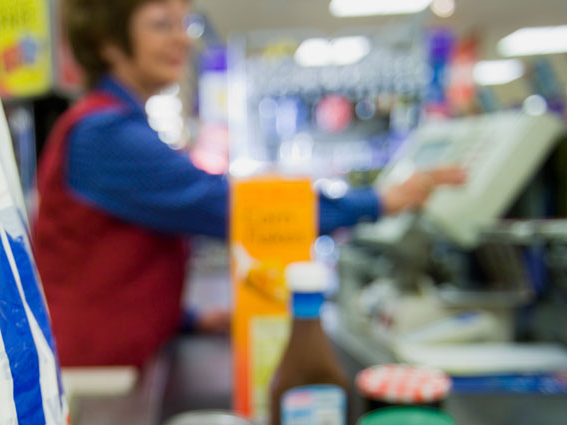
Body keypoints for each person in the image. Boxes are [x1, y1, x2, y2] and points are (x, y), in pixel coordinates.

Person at [31, 0, 466, 368]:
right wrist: (379, 201)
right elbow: (234, 206)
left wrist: (185, 318)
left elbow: (109, 257)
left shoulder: (111, 125)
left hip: (117, 362)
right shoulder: (103, 134)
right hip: (95, 376)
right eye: (161, 24)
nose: (182, 39)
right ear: (108, 42)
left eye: (184, 24)